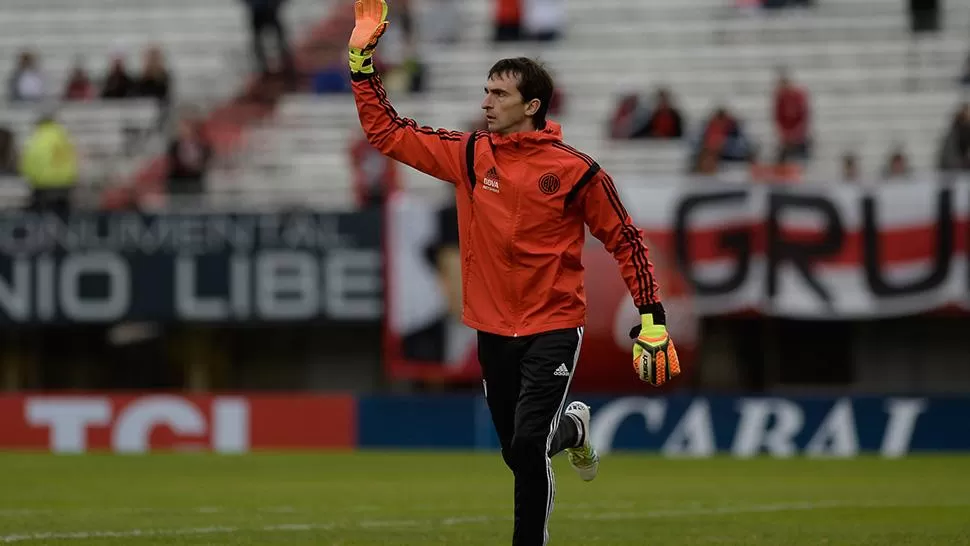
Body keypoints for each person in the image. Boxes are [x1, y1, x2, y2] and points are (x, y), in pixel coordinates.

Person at [347, 1, 682, 545]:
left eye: (498, 94)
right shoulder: (470, 155)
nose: (486, 102)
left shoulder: (576, 170)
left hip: (553, 325)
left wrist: (653, 317)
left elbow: (626, 239)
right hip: (492, 328)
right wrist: (362, 63)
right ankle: (574, 427)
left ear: (532, 104)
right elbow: (387, 133)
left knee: (527, 447)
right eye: (485, 92)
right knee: (516, 449)